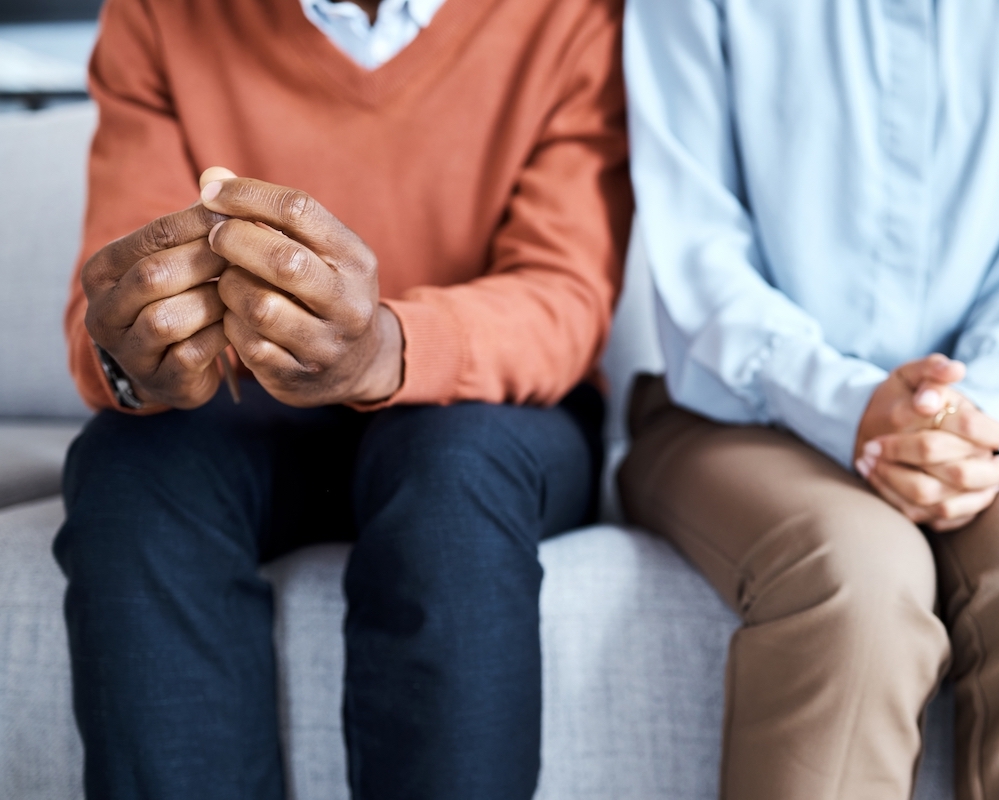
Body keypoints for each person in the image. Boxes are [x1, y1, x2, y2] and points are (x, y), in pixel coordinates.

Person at [54, 0, 632, 797]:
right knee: (130, 473)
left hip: (492, 415)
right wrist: (137, 358)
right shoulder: (159, 12)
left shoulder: (574, 16)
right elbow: (118, 277)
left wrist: (384, 349)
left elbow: (562, 291)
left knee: (450, 474)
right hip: (250, 406)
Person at [618, 1, 999, 798]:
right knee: (857, 580)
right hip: (738, 408)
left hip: (984, 413)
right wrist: (851, 405)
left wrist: (968, 422)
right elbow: (699, 247)